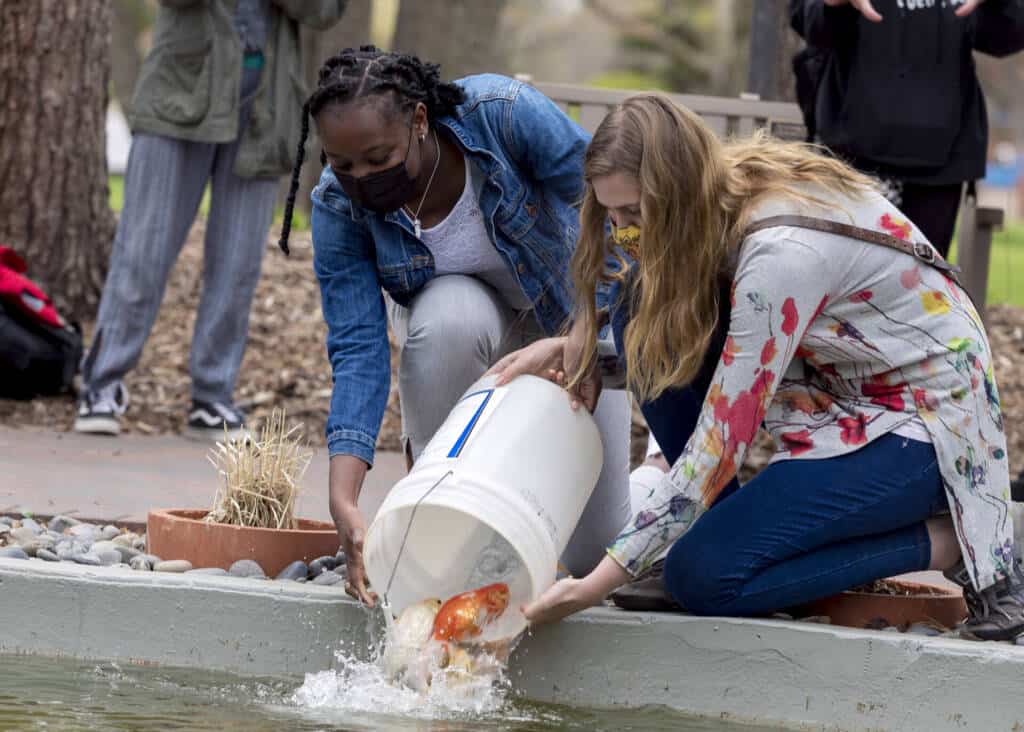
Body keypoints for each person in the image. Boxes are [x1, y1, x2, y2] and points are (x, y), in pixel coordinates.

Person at [493, 94, 1024, 640]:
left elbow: (720, 441)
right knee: (639, 310)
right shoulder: (720, 190)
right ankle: (719, 529)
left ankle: (948, 541)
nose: (623, 232)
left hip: (927, 428)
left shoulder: (781, 257)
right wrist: (579, 350)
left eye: (634, 214)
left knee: (704, 577)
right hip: (841, 388)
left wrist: (595, 583)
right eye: (613, 215)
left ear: (675, 191)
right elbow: (666, 333)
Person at [277, 47, 632, 606]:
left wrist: (587, 330)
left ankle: (656, 476)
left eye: (377, 157)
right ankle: (445, 496)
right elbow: (357, 348)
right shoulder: (337, 206)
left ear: (419, 121)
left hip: (570, 321)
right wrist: (344, 498)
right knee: (447, 315)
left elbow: (612, 213)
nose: (361, 178)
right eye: (342, 165)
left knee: (596, 554)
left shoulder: (502, 113)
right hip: (465, 338)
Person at [75, 0, 347, 440]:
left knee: (238, 264)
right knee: (143, 250)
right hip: (177, 94)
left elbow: (325, 11)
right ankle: (100, 385)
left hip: (266, 110)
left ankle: (211, 395)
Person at [790, 0, 1024, 257]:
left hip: (940, 161)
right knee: (845, 275)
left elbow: (1005, 37)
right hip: (853, 154)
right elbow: (809, 24)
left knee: (920, 284)